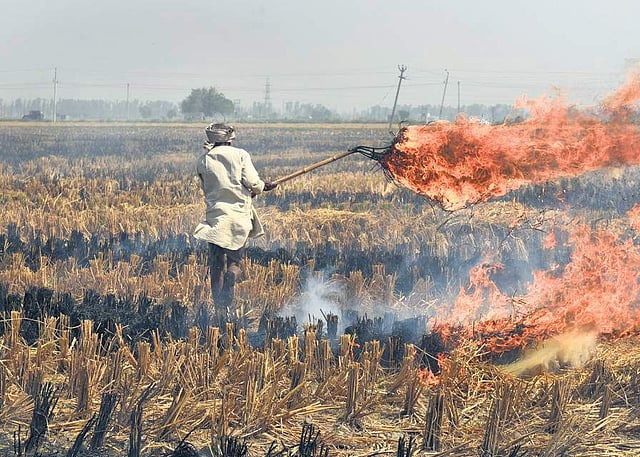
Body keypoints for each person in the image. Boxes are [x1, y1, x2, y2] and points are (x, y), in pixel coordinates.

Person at [193, 123, 277, 322]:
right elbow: (253, 184)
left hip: (216, 218)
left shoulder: (203, 160)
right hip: (238, 217)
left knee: (216, 265)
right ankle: (232, 276)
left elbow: (210, 189)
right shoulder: (240, 155)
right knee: (235, 261)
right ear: (229, 138)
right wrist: (263, 186)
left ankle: (219, 308)